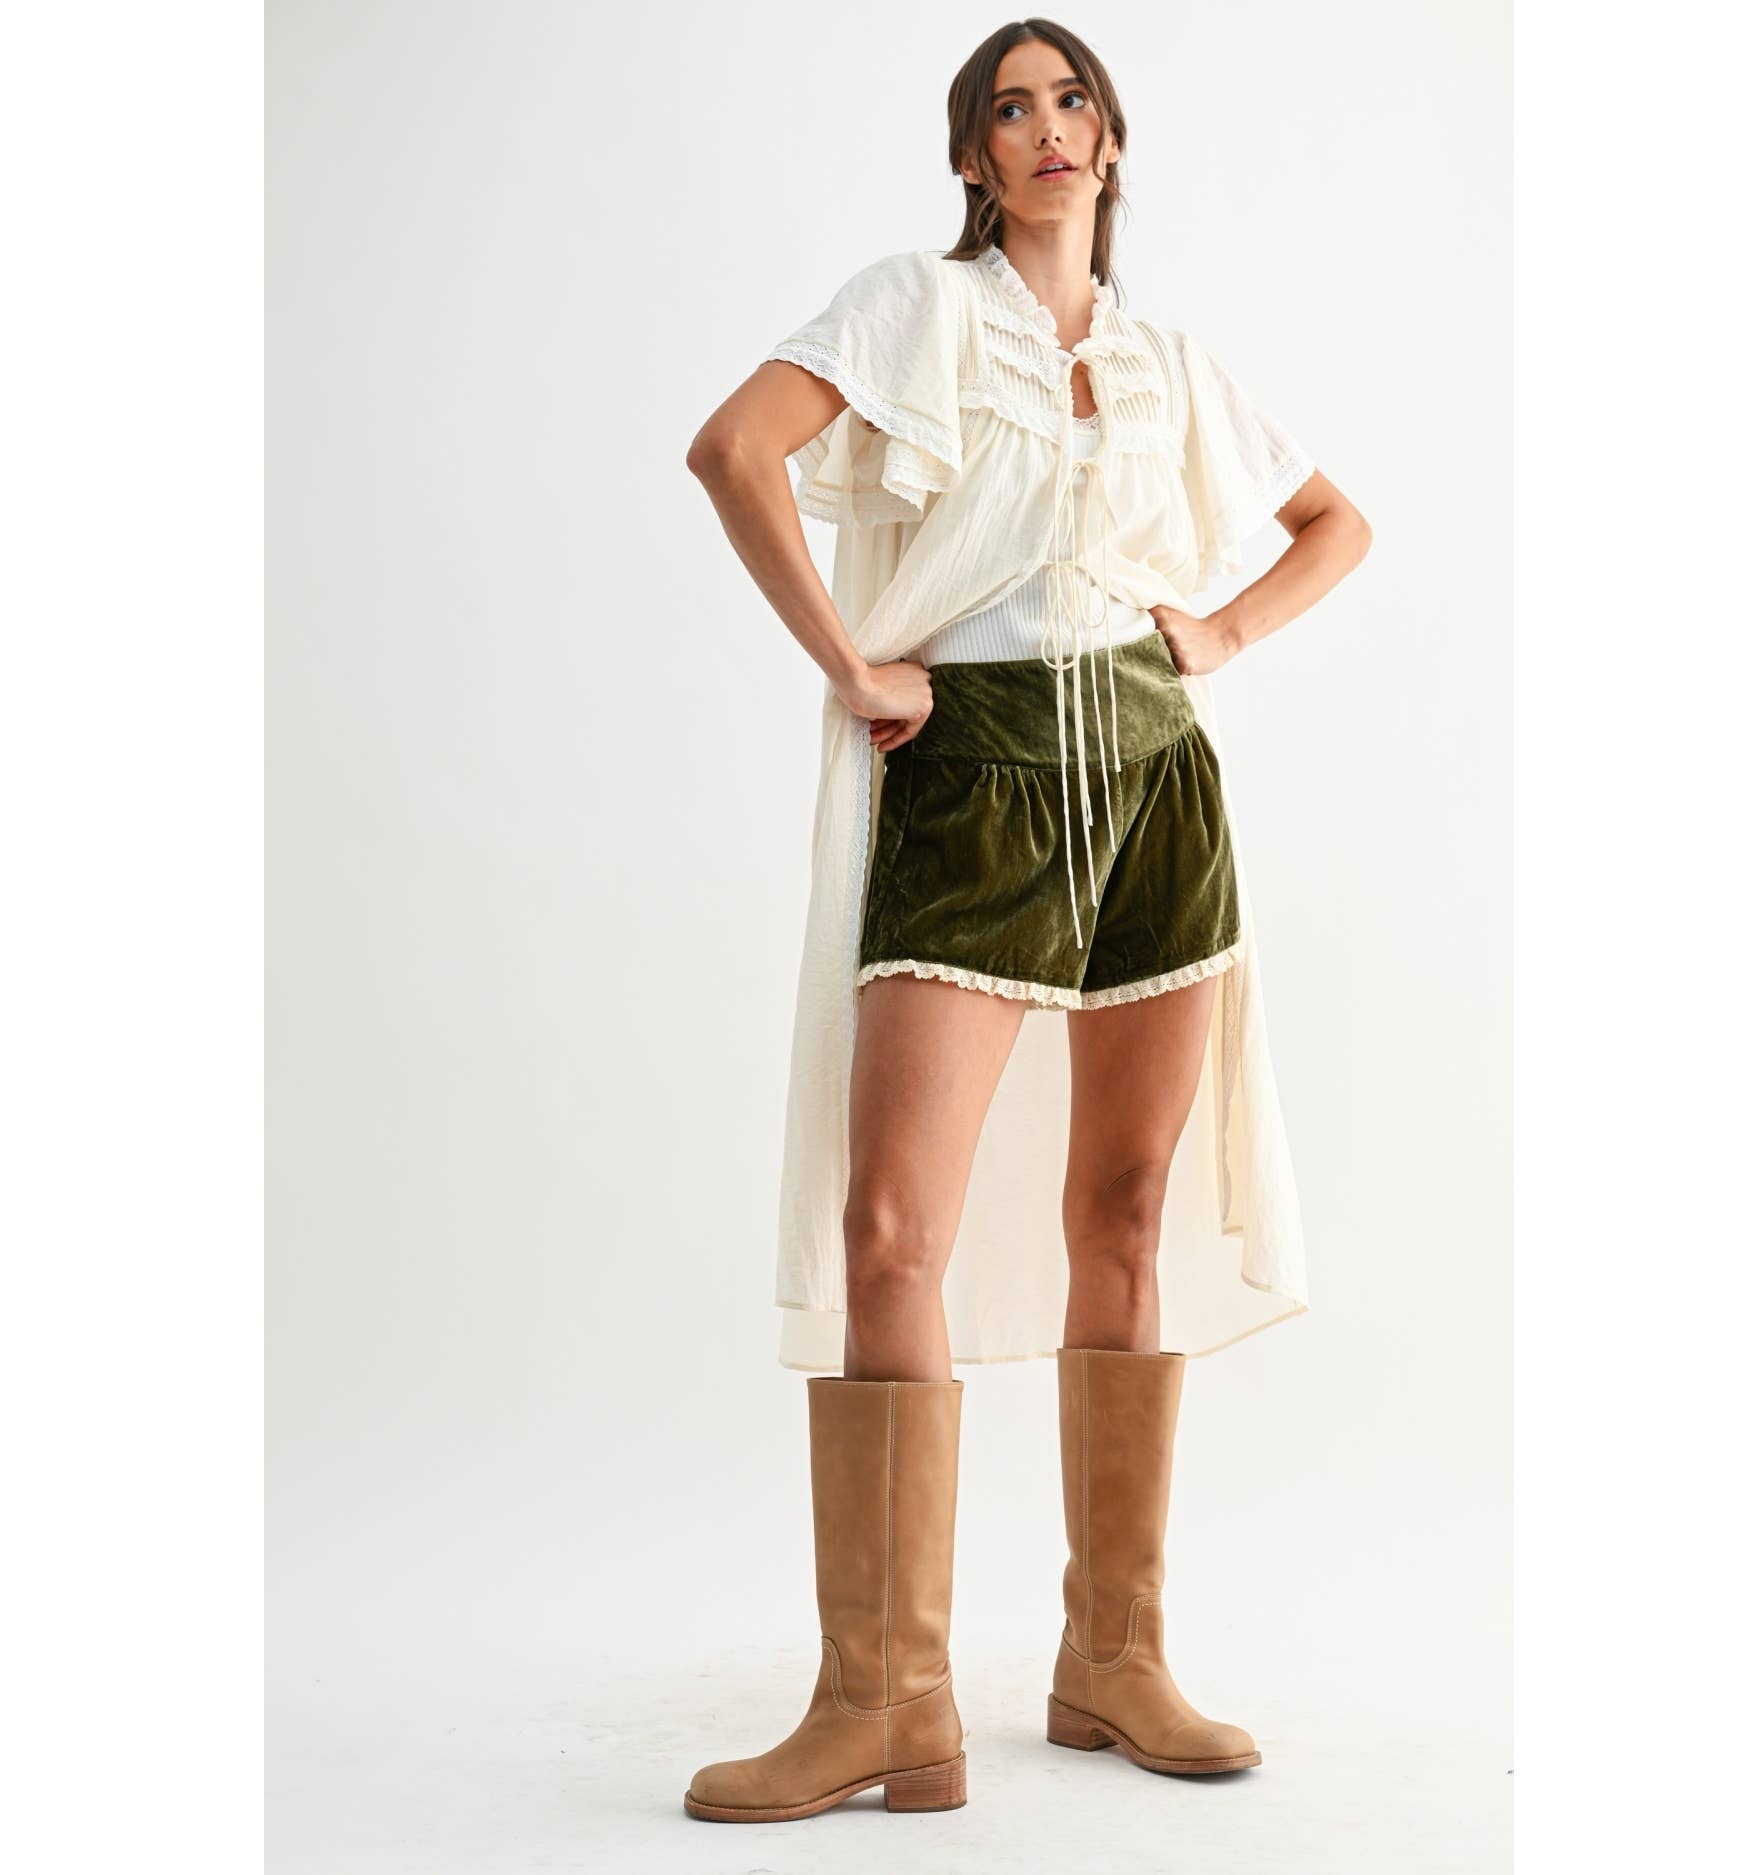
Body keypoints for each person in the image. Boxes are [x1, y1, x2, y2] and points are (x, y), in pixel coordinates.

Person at [681, 18, 1371, 1825]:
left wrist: (1216, 636)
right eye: (1011, 107)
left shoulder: (1165, 363)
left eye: (1074, 101)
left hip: (1153, 784)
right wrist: (853, 666)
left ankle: (1111, 1656)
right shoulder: (915, 309)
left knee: (1123, 1210)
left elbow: (1331, 523)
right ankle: (884, 1698)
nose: (1048, 127)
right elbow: (733, 452)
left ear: (1113, 143)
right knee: (889, 1225)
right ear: (974, 158)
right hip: (970, 776)